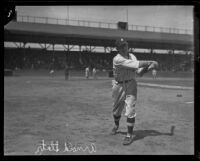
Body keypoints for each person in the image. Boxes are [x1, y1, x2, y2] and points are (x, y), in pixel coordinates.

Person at [111, 38, 158, 145]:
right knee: (116, 111)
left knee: (130, 109)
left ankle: (129, 135)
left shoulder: (132, 56)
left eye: (125, 45)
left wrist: (149, 68)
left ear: (127, 46)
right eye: (121, 47)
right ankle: (116, 124)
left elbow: (139, 73)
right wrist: (151, 62)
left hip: (131, 84)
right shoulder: (117, 59)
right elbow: (137, 65)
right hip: (118, 86)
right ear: (117, 49)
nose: (124, 48)